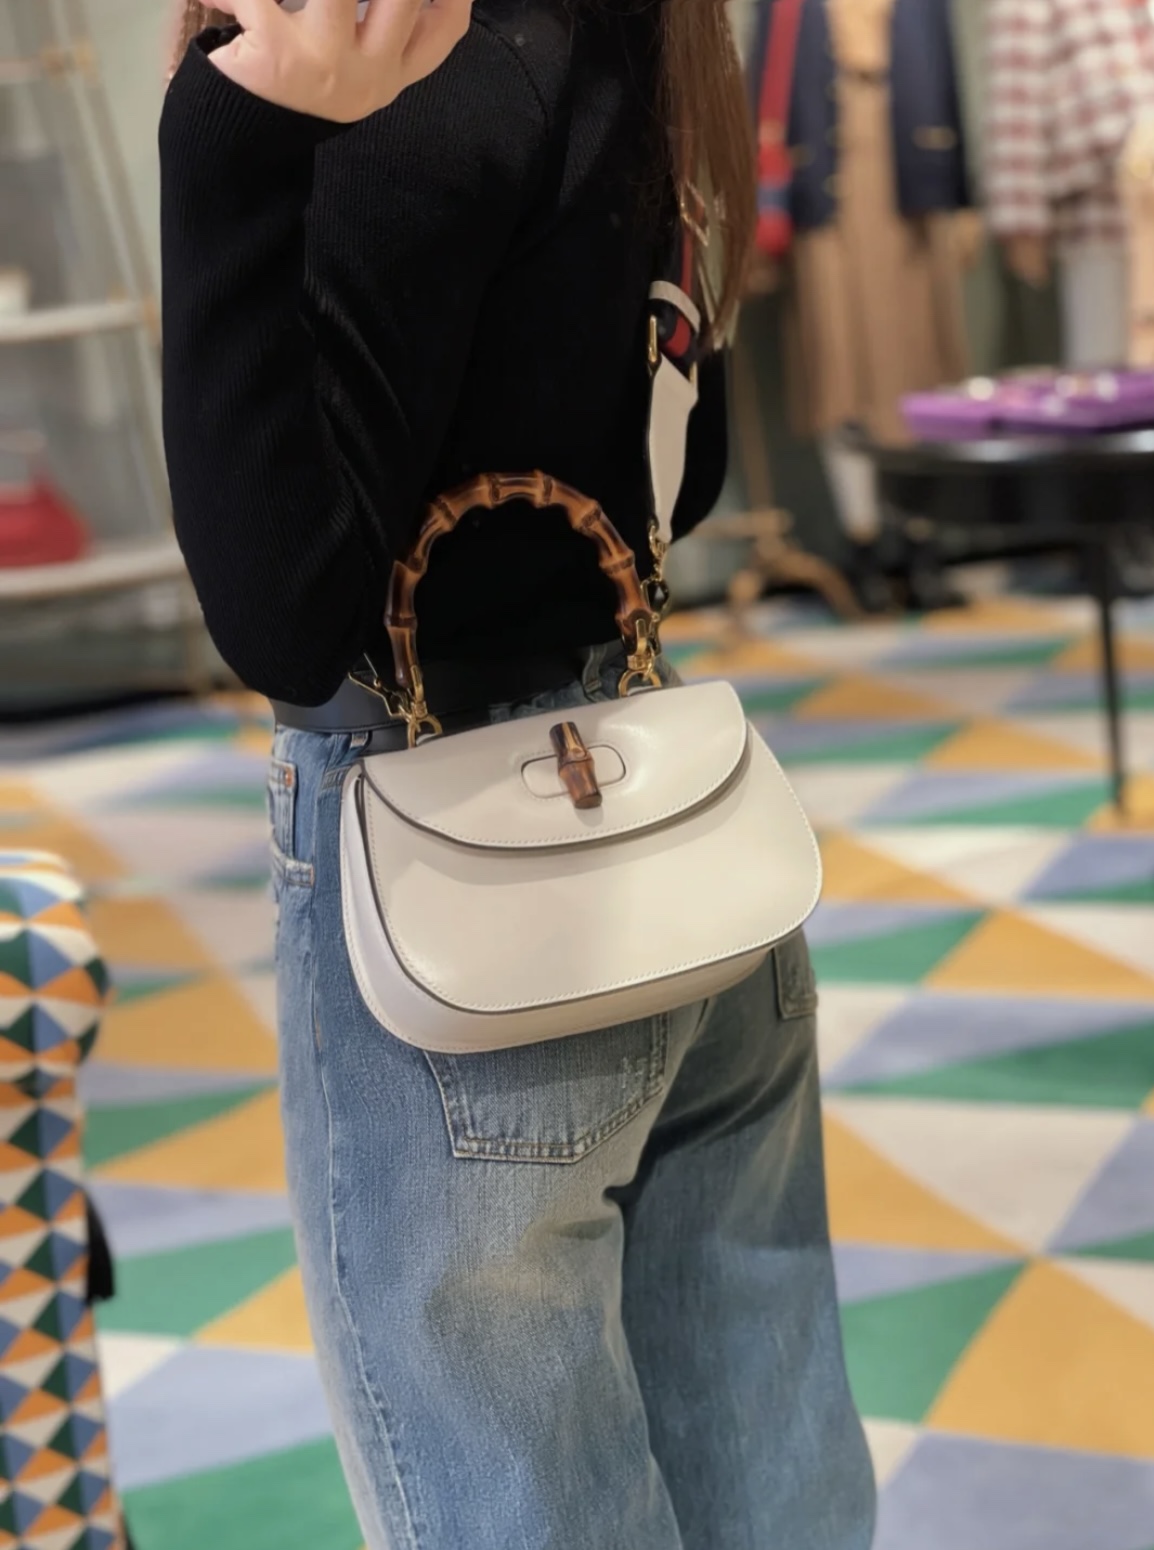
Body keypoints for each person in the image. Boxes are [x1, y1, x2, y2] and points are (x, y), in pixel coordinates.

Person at [158, 1, 876, 1545]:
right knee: (770, 1480)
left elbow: (281, 614)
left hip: (456, 867)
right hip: (673, 822)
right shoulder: (635, 28)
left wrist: (224, 140)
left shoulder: (380, 59)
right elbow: (687, 473)